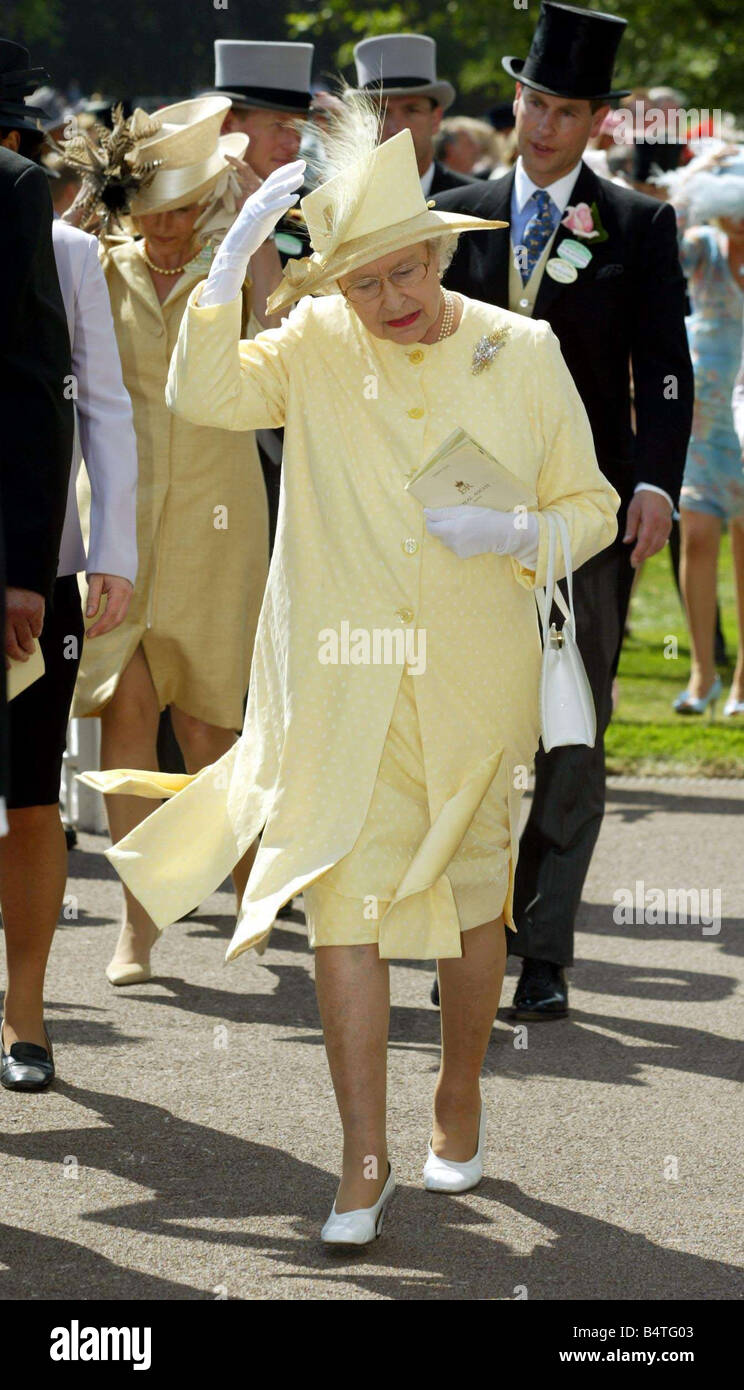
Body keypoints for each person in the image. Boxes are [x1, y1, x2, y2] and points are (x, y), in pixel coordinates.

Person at [82, 97, 618, 1244]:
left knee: (475, 915)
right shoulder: (316, 344)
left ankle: (459, 1092)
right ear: (335, 285)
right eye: (364, 282)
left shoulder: (519, 350)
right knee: (347, 911)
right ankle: (361, 1157)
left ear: (437, 251)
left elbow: (596, 508)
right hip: (335, 683)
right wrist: (230, 264)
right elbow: (204, 394)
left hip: (474, 681)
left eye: (407, 273)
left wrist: (523, 536)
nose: (391, 299)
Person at [433, 2, 693, 1020]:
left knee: (571, 725)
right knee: (469, 725)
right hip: (465, 507)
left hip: (584, 517)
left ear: (598, 121)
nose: (542, 124)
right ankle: (471, 923)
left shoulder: (638, 225)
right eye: (534, 101)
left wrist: (657, 485)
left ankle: (543, 947)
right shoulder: (454, 210)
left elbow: (665, 372)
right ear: (517, 98)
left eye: (566, 109)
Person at [66, 97, 293, 987]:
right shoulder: (98, 261)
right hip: (117, 520)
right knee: (126, 712)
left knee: (209, 724)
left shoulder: (229, 262)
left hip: (217, 518)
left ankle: (254, 892)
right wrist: (91, 202)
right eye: (147, 199)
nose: (163, 219)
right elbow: (41, 286)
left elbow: (279, 337)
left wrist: (249, 227)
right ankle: (140, 923)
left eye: (179, 200)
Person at [0, 40, 74, 1089]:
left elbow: (35, 385)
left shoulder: (17, 192)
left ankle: (24, 1012)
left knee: (24, 791)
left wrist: (23, 565)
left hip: (12, 566)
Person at [211, 39, 315, 545]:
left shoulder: (308, 215)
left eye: (299, 128)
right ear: (231, 125)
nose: (293, 143)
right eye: (279, 126)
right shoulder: (176, 209)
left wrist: (261, 228)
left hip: (267, 449)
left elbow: (282, 328)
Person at [670, 150, 744, 718]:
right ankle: (702, 670)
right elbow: (661, 237)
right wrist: (695, 177)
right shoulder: (702, 248)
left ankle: (743, 678)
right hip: (701, 415)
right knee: (697, 537)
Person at [353, 33, 476, 196]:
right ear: (363, 123)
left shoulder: (475, 204)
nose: (396, 128)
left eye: (411, 110)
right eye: (381, 112)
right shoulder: (345, 205)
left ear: (436, 119)